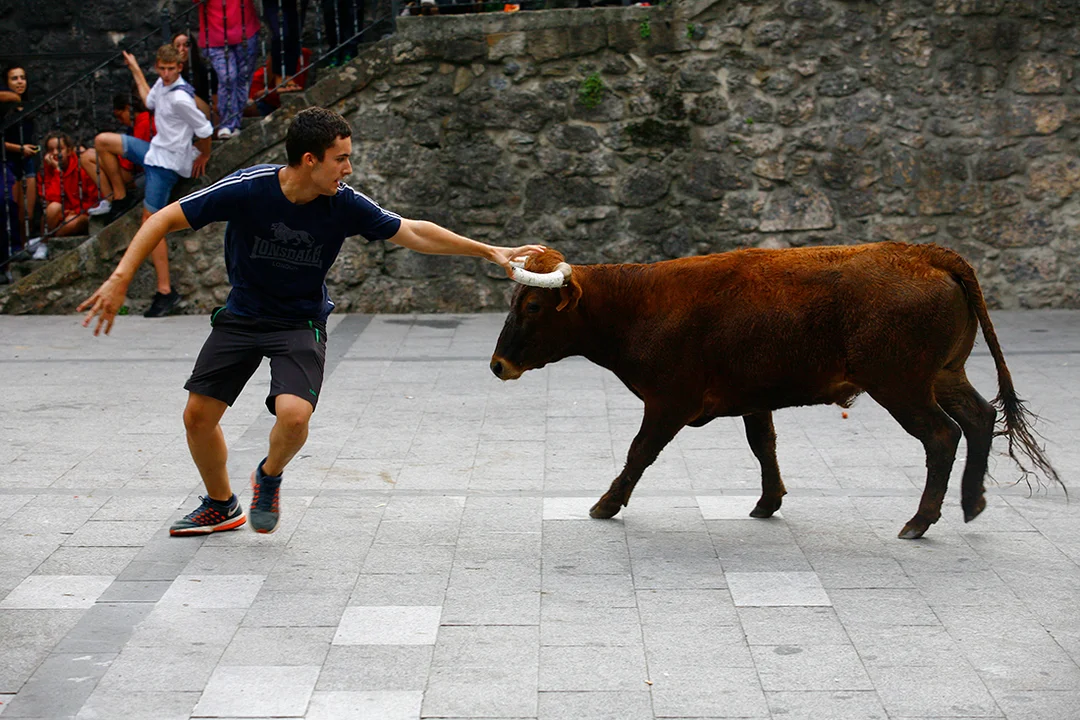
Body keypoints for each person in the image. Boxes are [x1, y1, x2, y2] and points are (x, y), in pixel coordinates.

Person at [77, 106, 545, 537]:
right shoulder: (248, 188)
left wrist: (489, 251)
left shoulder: (343, 203)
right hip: (242, 316)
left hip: (299, 322)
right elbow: (161, 219)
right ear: (309, 160)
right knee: (197, 417)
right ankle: (221, 505)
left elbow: (412, 231)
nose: (348, 169)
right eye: (341, 159)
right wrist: (120, 280)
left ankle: (269, 475)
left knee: (295, 415)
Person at [90, 45, 213, 318]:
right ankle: (120, 198)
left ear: (179, 68)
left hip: (167, 165)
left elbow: (205, 129)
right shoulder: (162, 85)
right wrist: (135, 69)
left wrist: (204, 153)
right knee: (102, 141)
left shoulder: (181, 98)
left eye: (171, 69)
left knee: (151, 222)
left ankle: (165, 291)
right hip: (153, 151)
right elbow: (149, 101)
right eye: (162, 69)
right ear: (157, 67)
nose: (166, 74)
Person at [195, 0, 261, 138]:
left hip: (245, 29)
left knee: (243, 79)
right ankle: (228, 123)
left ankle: (235, 121)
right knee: (227, 77)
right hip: (215, 33)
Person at [84, 93, 156, 214]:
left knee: (87, 157)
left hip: (137, 174)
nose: (121, 121)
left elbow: (130, 163)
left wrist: (113, 157)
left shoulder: (143, 122)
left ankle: (115, 198)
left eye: (120, 116)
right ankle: (109, 199)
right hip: (135, 171)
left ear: (128, 108)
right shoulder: (139, 123)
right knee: (89, 154)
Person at [33, 131, 99, 250]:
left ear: (69, 151)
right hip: (59, 215)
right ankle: (43, 244)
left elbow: (94, 199)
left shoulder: (82, 166)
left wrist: (75, 211)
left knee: (72, 223)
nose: (55, 153)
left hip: (80, 214)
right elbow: (49, 200)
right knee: (54, 207)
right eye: (51, 150)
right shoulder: (45, 171)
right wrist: (57, 172)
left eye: (59, 149)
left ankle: (44, 242)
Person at [1, 65, 38, 251]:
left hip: (27, 160)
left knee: (27, 214)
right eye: (14, 78)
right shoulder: (4, 107)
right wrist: (19, 148)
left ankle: (23, 247)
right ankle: (14, 249)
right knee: (12, 209)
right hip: (9, 159)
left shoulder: (28, 105)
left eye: (22, 77)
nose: (20, 82)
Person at [171, 32, 216, 123]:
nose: (182, 49)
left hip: (203, 112)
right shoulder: (171, 71)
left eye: (186, 45)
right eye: (178, 46)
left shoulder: (204, 69)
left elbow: (215, 102)